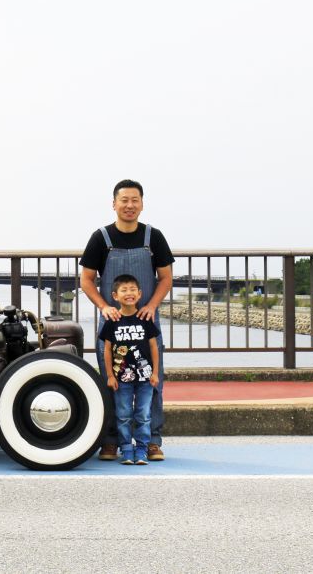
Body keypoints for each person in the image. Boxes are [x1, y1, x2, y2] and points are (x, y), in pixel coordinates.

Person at [79, 179, 174, 461]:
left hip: (146, 324)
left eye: (135, 200)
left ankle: (152, 441)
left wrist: (152, 305)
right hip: (113, 325)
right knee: (111, 381)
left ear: (142, 204)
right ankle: (110, 441)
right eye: (124, 200)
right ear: (114, 204)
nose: (129, 205)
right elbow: (86, 280)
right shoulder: (101, 238)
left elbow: (165, 278)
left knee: (152, 382)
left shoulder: (153, 237)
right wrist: (104, 306)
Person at [99, 274, 160, 464]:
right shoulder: (112, 321)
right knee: (123, 414)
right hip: (121, 378)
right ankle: (126, 448)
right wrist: (110, 375)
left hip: (145, 377)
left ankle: (141, 449)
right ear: (115, 296)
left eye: (133, 290)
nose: (129, 293)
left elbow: (153, 347)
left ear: (139, 294)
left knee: (143, 415)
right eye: (124, 290)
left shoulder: (145, 319)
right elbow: (107, 350)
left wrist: (155, 373)